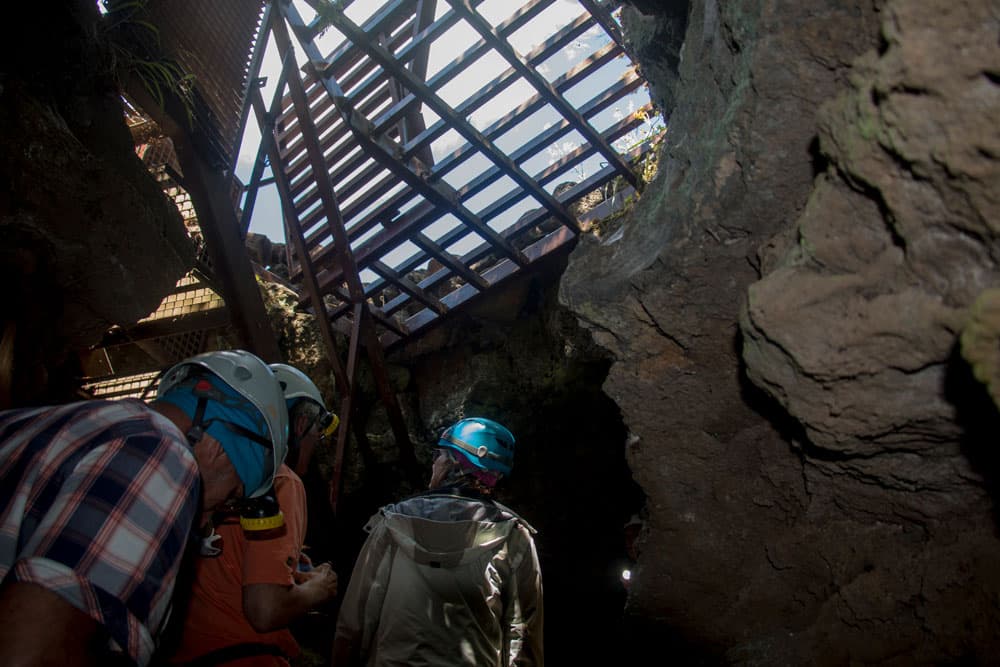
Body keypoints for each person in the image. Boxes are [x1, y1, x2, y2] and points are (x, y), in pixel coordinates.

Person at [0, 349, 289, 667]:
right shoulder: (163, 453)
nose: (207, 522)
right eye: (230, 499)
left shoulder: (43, 422)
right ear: (221, 447)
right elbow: (34, 652)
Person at [331, 417, 544, 667]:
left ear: (452, 463)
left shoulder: (393, 524)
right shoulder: (512, 536)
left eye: (438, 456)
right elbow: (523, 635)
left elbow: (356, 620)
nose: (433, 463)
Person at [165, 363, 340, 667]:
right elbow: (265, 610)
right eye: (316, 433)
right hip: (242, 654)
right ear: (299, 425)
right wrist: (318, 589)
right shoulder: (281, 482)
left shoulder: (184, 478)